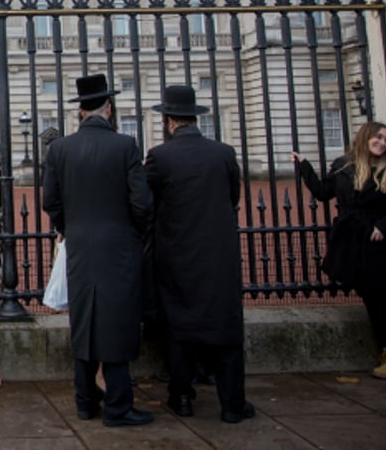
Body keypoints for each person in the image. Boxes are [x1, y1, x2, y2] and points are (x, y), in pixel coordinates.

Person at [41, 74, 154, 427]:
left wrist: (70, 228)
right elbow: (143, 204)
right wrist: (130, 232)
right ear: (108, 108)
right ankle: (118, 407)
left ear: (80, 111)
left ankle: (85, 402)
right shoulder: (125, 146)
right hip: (119, 247)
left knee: (84, 321)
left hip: (79, 247)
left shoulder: (59, 149)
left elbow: (50, 202)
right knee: (117, 324)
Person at [145, 85, 254, 423]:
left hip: (176, 251)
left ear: (168, 121)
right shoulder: (223, 152)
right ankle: (233, 404)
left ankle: (182, 397)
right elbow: (232, 197)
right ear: (195, 118)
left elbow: (147, 204)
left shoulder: (160, 157)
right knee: (226, 324)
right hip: (218, 252)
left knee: (178, 326)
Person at [292, 121, 386, 384]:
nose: (382, 143)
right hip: (353, 241)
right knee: (372, 302)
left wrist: (384, 226)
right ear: (365, 138)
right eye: (378, 137)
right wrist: (304, 166)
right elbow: (322, 192)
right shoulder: (343, 166)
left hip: (379, 242)